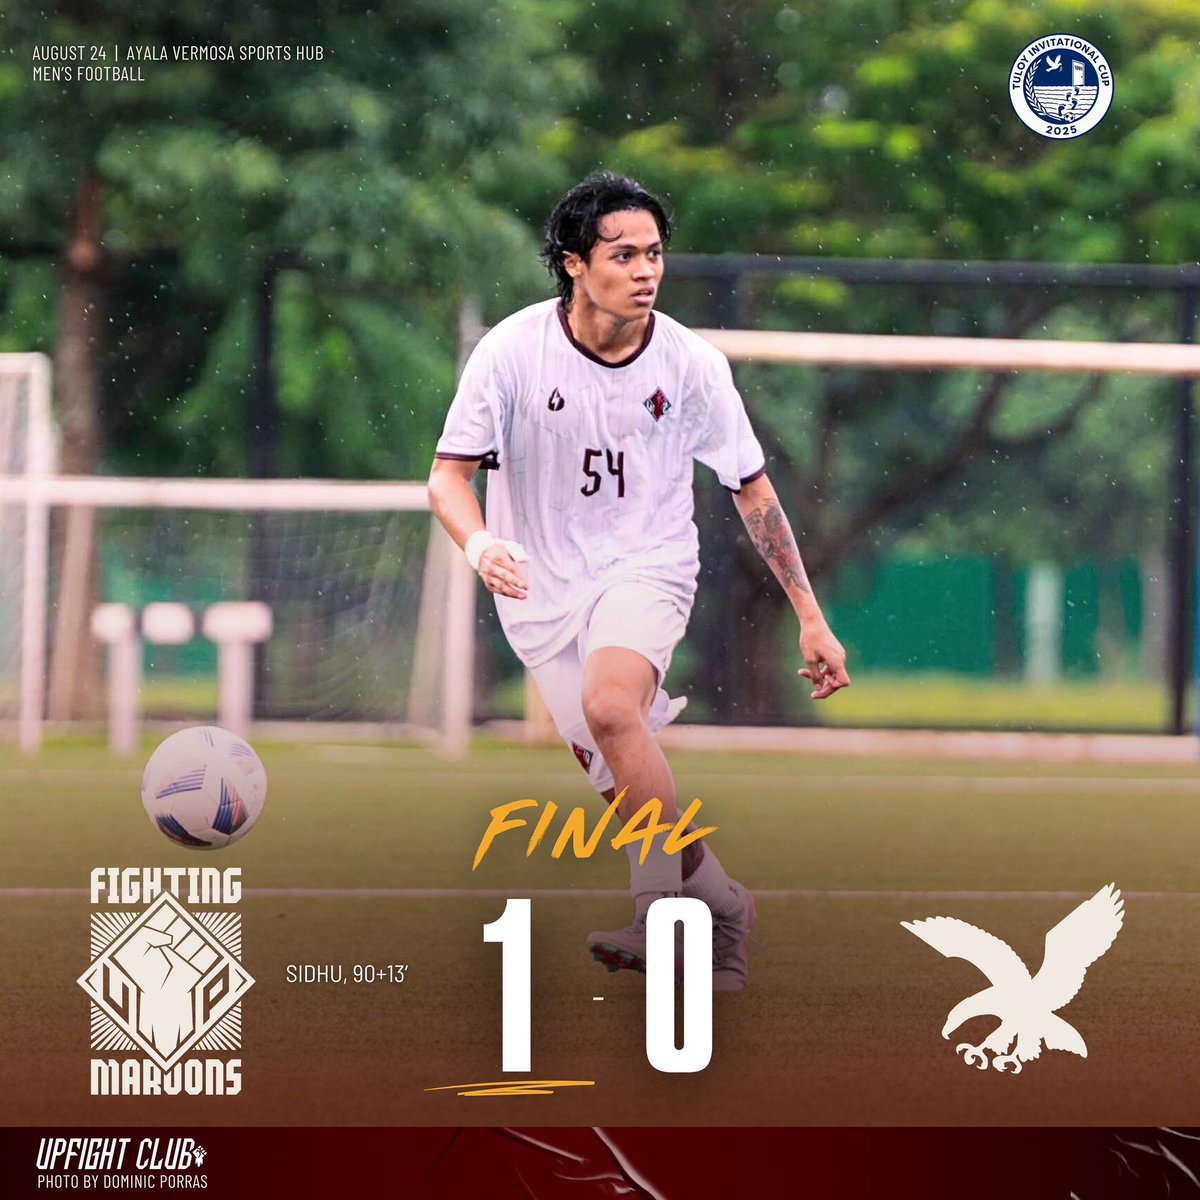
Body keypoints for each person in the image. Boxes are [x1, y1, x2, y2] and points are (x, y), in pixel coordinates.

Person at [428, 172, 850, 991]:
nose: (646, 269)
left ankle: (662, 920)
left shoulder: (692, 364)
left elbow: (751, 489)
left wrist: (810, 616)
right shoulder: (512, 351)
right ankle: (723, 904)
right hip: (539, 593)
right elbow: (448, 478)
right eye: (623, 254)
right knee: (625, 783)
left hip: (648, 564)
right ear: (573, 263)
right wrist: (480, 546)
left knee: (613, 706)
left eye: (655, 252)